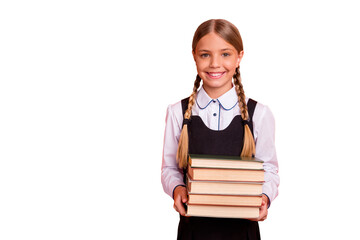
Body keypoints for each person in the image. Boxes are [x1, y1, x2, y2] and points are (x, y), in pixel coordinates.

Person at [161, 19, 279, 240]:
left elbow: (269, 169)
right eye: (205, 54)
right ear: (194, 56)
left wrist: (264, 197)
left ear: (239, 57)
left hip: (243, 232)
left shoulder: (259, 114)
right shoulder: (178, 112)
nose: (215, 63)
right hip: (193, 232)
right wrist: (177, 189)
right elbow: (169, 168)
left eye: (225, 54)